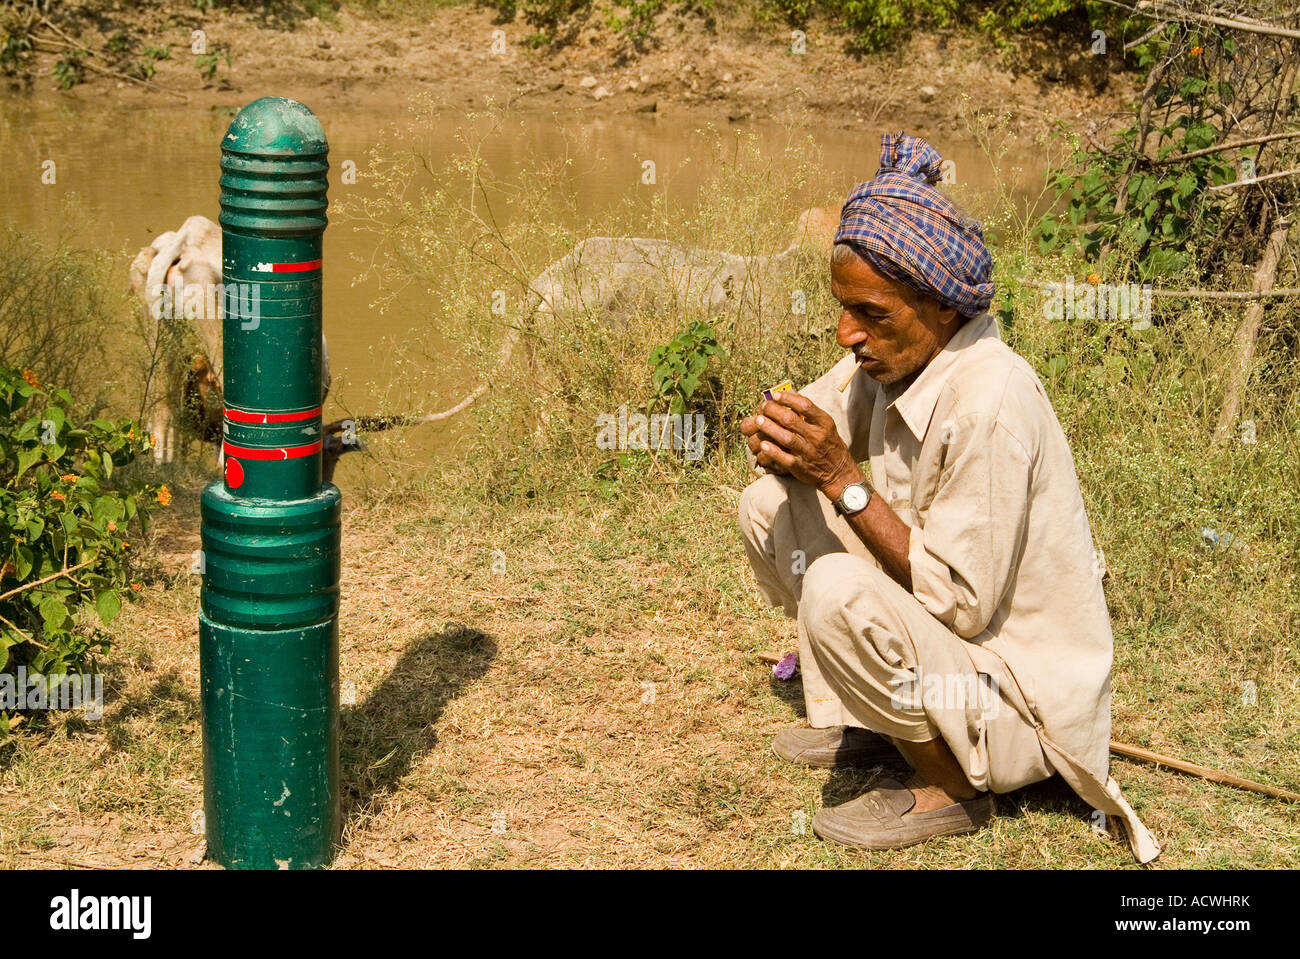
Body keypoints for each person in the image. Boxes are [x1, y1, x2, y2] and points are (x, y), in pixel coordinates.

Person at [737, 133, 1158, 861]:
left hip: (1014, 699)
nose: (847, 333)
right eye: (844, 309)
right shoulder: (895, 356)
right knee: (767, 504)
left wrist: (841, 476)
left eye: (870, 312)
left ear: (938, 307)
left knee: (836, 587)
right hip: (956, 654)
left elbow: (962, 603)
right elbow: (818, 409)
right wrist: (782, 429)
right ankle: (870, 720)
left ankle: (955, 786)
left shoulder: (990, 397)